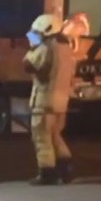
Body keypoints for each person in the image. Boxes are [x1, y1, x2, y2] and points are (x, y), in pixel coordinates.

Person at [24, 14, 75, 185]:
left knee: (42, 137)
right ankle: (66, 169)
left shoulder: (46, 47)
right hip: (61, 101)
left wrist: (32, 47)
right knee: (55, 135)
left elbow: (29, 64)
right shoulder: (65, 47)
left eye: (36, 33)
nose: (33, 36)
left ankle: (47, 173)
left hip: (44, 100)